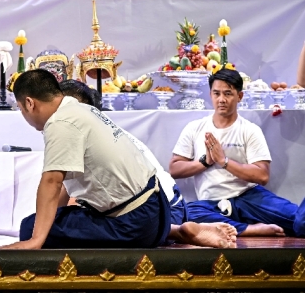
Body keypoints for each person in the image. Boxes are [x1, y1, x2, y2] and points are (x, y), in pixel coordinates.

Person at [0, 70, 170, 250]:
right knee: (44, 224)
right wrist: (50, 223)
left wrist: (36, 240)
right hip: (159, 212)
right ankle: (171, 231)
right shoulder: (82, 109)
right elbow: (64, 185)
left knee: (29, 228)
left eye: (21, 109)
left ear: (29, 103)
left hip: (133, 225)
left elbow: (52, 182)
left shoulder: (60, 122)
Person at [58, 80, 236, 248]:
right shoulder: (107, 128)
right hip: (171, 204)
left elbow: (59, 192)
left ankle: (174, 232)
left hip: (152, 215)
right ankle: (174, 230)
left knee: (67, 225)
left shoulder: (70, 135)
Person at [170, 68, 305, 237]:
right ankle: (250, 230)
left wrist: (224, 161)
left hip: (249, 197)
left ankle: (235, 227)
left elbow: (262, 176)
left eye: (228, 93)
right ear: (210, 95)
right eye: (216, 93)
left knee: (301, 222)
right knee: (187, 214)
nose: (221, 99)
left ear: (239, 96)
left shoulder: (250, 130)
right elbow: (174, 169)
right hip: (210, 203)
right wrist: (205, 162)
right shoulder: (194, 128)